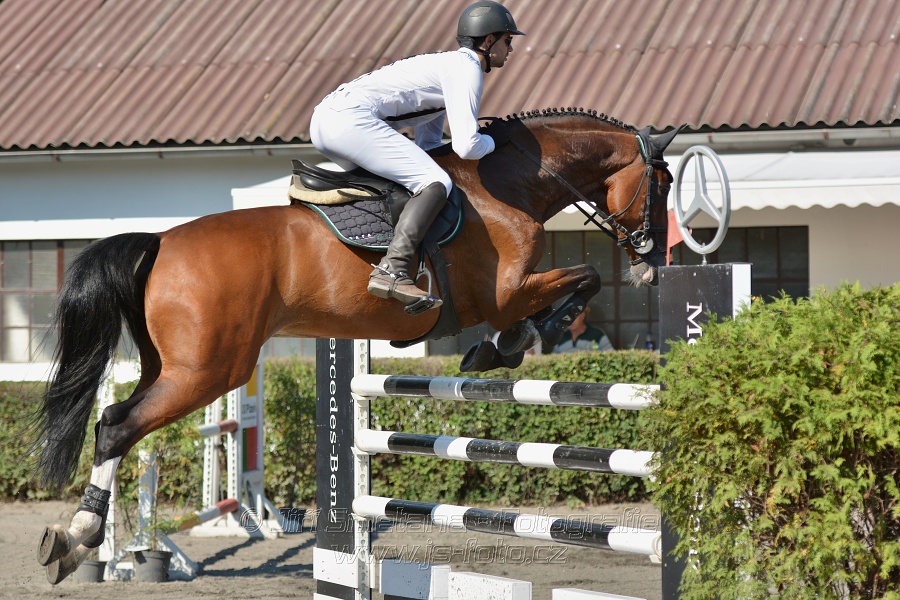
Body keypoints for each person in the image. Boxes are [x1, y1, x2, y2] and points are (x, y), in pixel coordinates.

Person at [309, 1, 524, 311]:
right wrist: (495, 141)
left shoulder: (446, 68)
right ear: (488, 41)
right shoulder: (468, 69)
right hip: (349, 121)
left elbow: (428, 143)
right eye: (508, 40)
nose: (511, 49)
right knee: (436, 181)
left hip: (327, 121)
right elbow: (466, 146)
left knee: (411, 182)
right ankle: (393, 269)